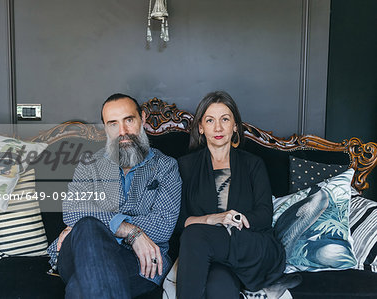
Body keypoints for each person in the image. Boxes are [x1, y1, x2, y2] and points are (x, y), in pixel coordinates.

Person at [46, 93, 182, 299]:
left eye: (129, 120)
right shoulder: (89, 164)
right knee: (88, 226)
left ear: (142, 119)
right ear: (105, 128)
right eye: (113, 124)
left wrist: (98, 219)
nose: (123, 132)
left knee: (79, 287)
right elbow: (73, 210)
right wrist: (131, 231)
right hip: (78, 252)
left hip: (140, 260)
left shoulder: (166, 166)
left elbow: (162, 227)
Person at [176, 91, 288, 299]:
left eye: (225, 119)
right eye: (210, 120)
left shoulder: (253, 164)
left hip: (250, 246)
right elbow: (180, 220)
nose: (218, 127)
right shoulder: (185, 167)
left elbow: (264, 215)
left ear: (235, 126)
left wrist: (231, 221)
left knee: (194, 235)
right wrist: (213, 219)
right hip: (209, 254)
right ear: (200, 127)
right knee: (219, 286)